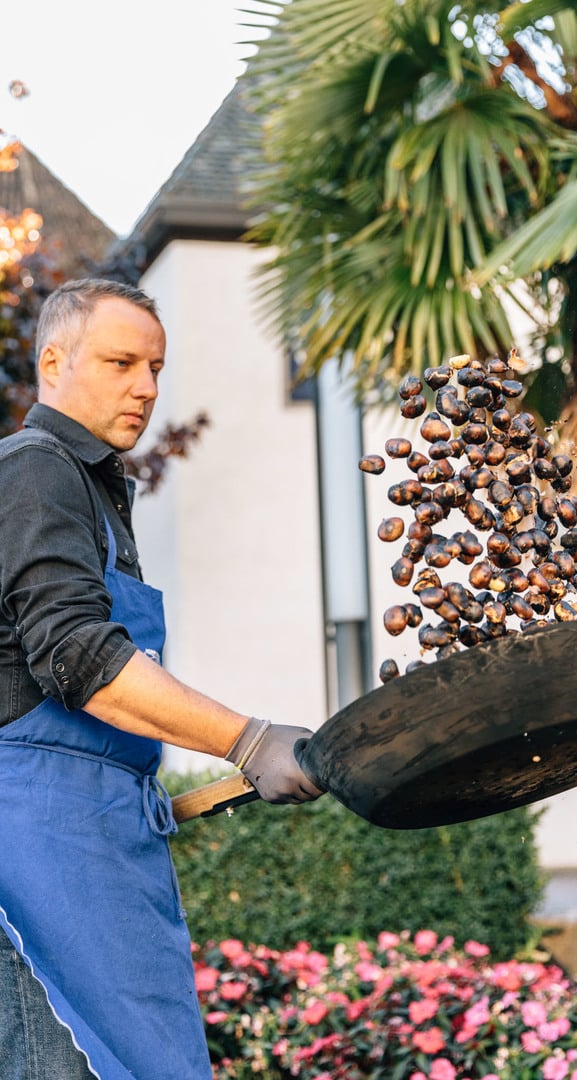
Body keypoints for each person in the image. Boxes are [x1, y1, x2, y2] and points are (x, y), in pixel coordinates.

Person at [0, 278, 324, 1080]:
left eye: (156, 367)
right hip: (35, 851)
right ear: (53, 363)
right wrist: (248, 740)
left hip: (99, 838)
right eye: (121, 363)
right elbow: (81, 660)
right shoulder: (36, 469)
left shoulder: (94, 488)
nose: (145, 387)